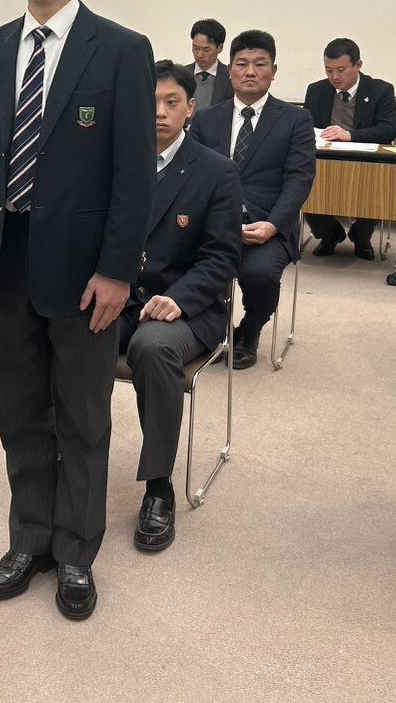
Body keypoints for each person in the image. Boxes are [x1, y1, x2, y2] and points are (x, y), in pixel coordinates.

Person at [0, 0, 153, 622]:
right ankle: (29, 538)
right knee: (19, 411)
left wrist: (118, 270)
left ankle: (75, 550)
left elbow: (134, 175)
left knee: (82, 416)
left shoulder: (121, 50)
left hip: (85, 269)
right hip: (5, 258)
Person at [118, 60, 240, 552]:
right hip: (122, 296)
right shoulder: (117, 160)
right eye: (150, 103)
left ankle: (158, 486)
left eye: (171, 103)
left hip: (190, 304)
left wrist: (180, 298)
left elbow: (222, 257)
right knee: (70, 329)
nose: (159, 113)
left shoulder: (216, 170)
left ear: (190, 109)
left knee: (152, 348)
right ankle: (72, 457)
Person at [190, 30, 315, 370]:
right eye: (241, 64)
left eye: (260, 64)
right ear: (229, 69)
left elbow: (299, 179)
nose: (250, 72)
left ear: (274, 71)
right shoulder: (206, 118)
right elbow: (191, 174)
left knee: (260, 275)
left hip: (266, 225)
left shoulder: (296, 120)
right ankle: (209, 328)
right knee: (181, 262)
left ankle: (249, 329)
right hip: (211, 224)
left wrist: (273, 225)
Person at [302, 37, 396, 259]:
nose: (334, 77)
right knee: (301, 181)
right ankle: (330, 233)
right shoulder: (316, 90)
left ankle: (362, 237)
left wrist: (350, 135)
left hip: (366, 160)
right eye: (329, 70)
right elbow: (306, 126)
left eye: (341, 70)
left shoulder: (380, 90)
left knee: (379, 185)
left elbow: (388, 130)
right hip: (325, 158)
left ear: (358, 65)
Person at [189, 18, 230, 110]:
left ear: (220, 48)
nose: (199, 55)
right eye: (195, 48)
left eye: (206, 49)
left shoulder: (230, 77)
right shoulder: (181, 75)